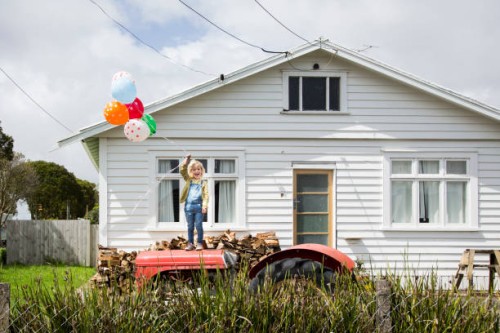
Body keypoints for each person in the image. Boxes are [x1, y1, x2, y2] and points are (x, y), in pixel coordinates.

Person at [180, 154, 209, 251]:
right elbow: (182, 170)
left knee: (199, 225)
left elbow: (206, 195)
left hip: (198, 207)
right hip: (188, 207)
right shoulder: (189, 180)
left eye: (198, 169)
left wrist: (205, 206)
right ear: (191, 171)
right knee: (190, 226)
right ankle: (190, 243)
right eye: (194, 169)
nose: (197, 171)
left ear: (201, 170)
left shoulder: (203, 182)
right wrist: (186, 159)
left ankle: (199, 243)